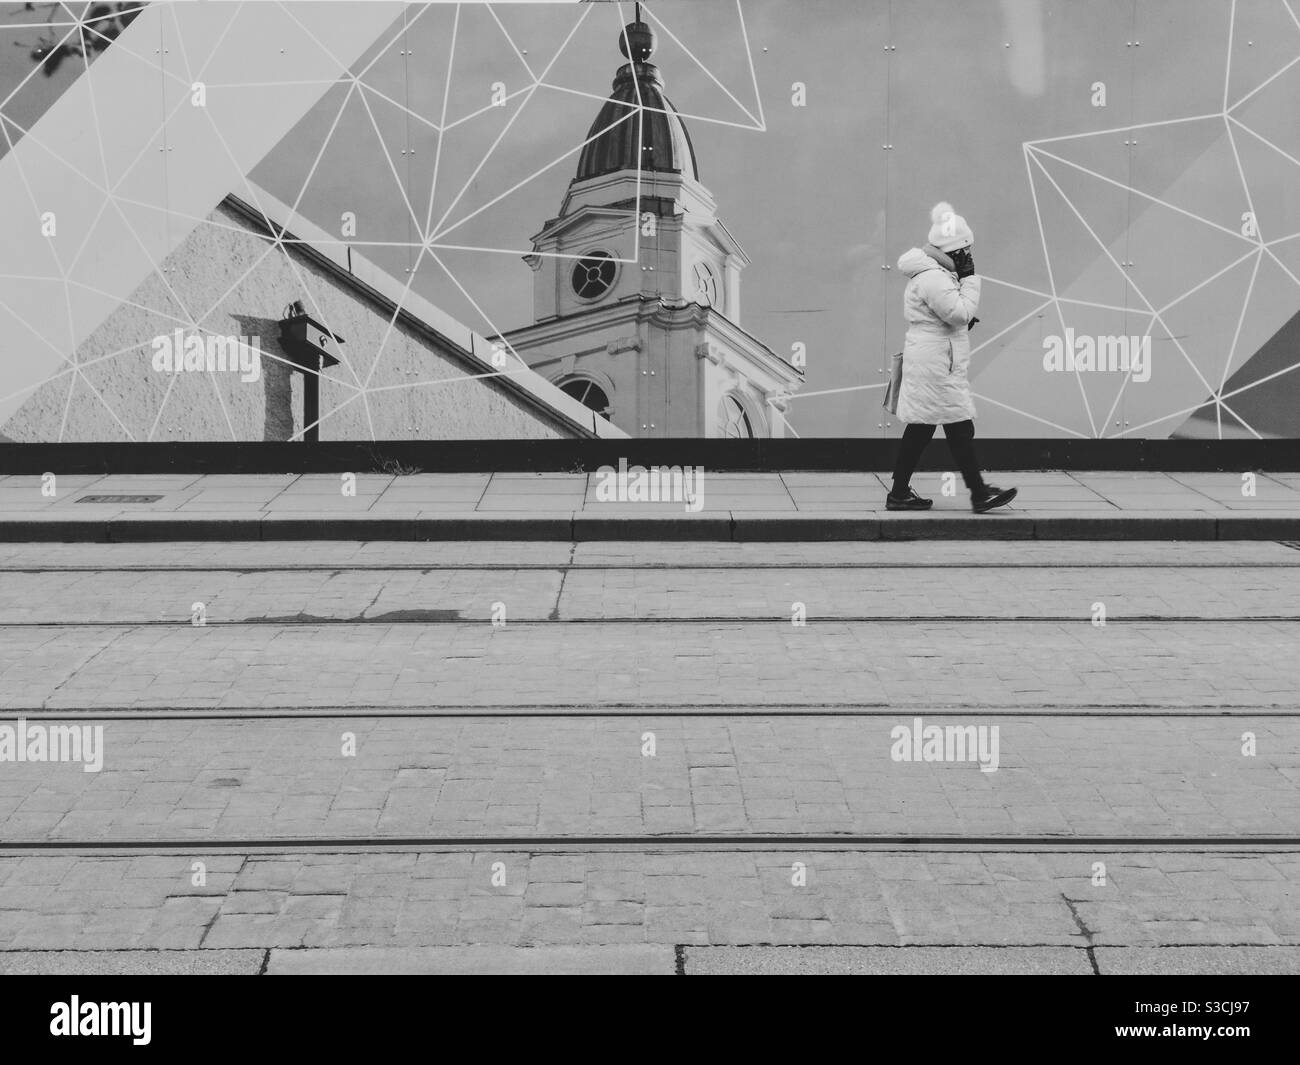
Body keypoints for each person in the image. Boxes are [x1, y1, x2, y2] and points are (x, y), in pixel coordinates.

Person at [886, 202, 1017, 513]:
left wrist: (961, 312)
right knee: (957, 428)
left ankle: (901, 493)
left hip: (936, 358)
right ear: (954, 250)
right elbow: (958, 313)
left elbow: (947, 314)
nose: (970, 257)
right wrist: (970, 282)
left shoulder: (936, 273)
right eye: (966, 251)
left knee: (925, 428)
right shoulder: (934, 276)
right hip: (936, 363)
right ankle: (977, 493)